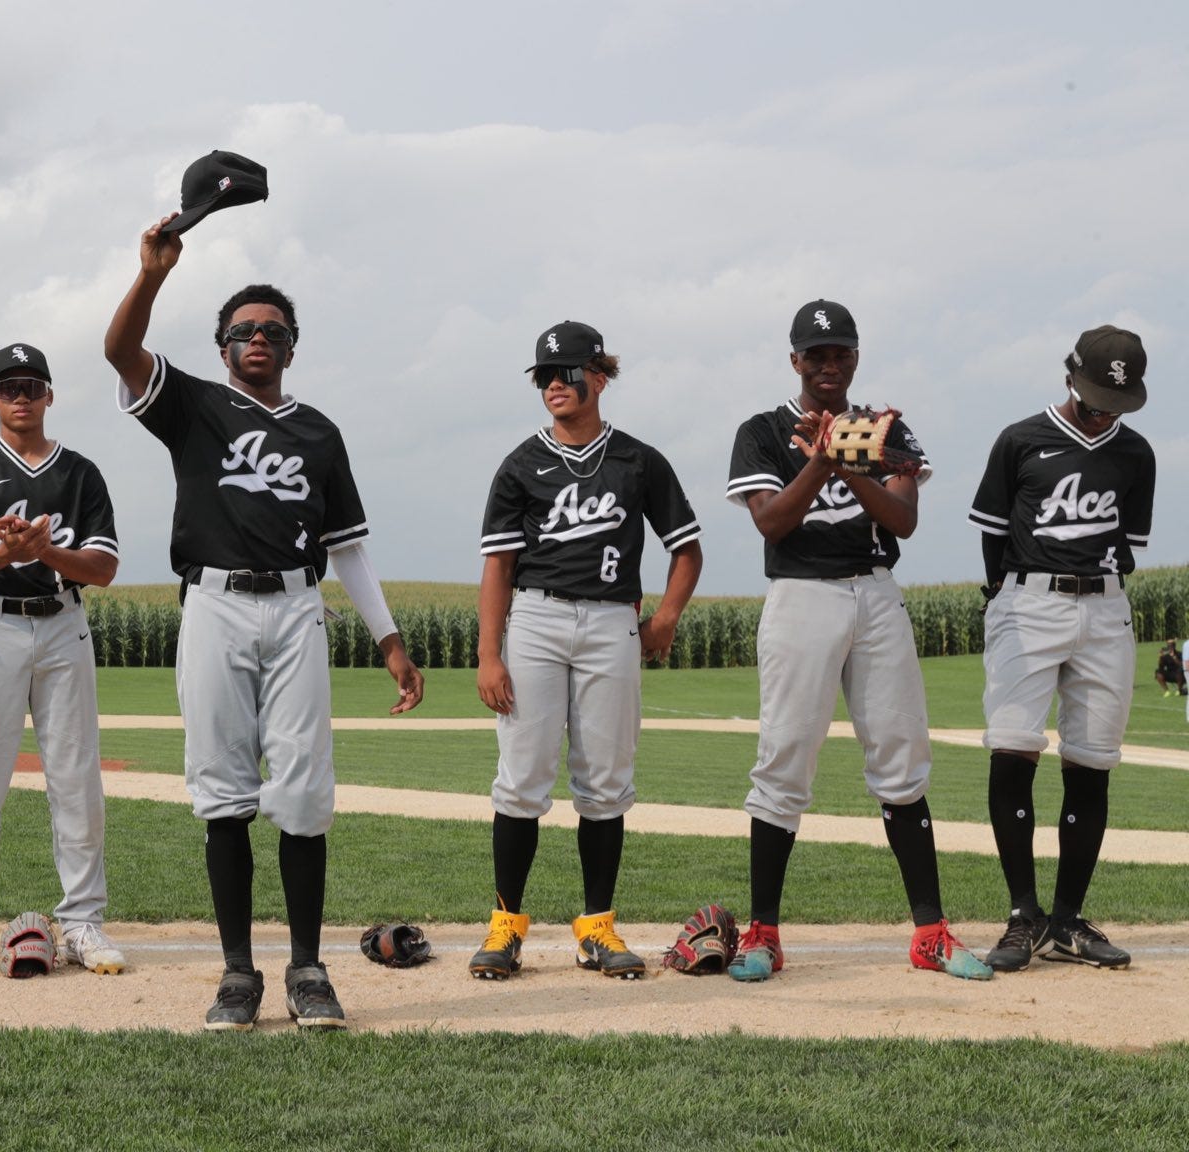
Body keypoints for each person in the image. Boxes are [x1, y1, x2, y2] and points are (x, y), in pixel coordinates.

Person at [104, 215, 425, 1030]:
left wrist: (389, 640)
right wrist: (152, 274)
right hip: (212, 603)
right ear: (221, 346)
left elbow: (347, 549)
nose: (258, 338)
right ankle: (239, 974)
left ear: (291, 346)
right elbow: (120, 352)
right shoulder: (196, 407)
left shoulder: (319, 433)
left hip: (295, 605)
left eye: (272, 330)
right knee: (221, 791)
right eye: (243, 329)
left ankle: (309, 968)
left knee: (304, 793)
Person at [722, 299, 989, 981]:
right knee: (783, 761)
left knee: (902, 758)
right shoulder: (761, 430)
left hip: (873, 592)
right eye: (817, 355)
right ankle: (763, 934)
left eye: (841, 352)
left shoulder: (887, 428)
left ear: (856, 357)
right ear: (795, 362)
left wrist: (850, 462)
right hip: (800, 595)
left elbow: (901, 520)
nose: (829, 364)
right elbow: (773, 524)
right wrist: (818, 461)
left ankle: (930, 932)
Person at [469, 322, 703, 981]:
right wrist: (490, 654)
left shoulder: (638, 460)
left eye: (566, 372)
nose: (553, 385)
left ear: (599, 376)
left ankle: (597, 928)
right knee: (521, 777)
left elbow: (686, 549)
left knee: (604, 780)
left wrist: (665, 616)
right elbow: (498, 567)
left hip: (611, 622)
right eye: (543, 375)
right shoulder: (521, 465)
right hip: (536, 618)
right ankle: (505, 928)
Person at [0, 342, 125, 976]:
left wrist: (46, 553)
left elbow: (104, 566)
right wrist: (6, 558)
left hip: (63, 624)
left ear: (49, 396)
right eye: (8, 387)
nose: (20, 397)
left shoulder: (80, 472)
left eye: (32, 386)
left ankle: (83, 922)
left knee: (75, 777)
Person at [969, 324, 1154, 972]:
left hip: (1106, 607)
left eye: (1117, 401)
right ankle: (1024, 916)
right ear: (1069, 376)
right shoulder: (1021, 439)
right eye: (1096, 394)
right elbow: (993, 533)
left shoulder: (1136, 455)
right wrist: (1004, 596)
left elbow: (1130, 542)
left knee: (1092, 760)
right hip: (1029, 599)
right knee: (1013, 747)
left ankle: (1070, 921)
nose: (1104, 410)